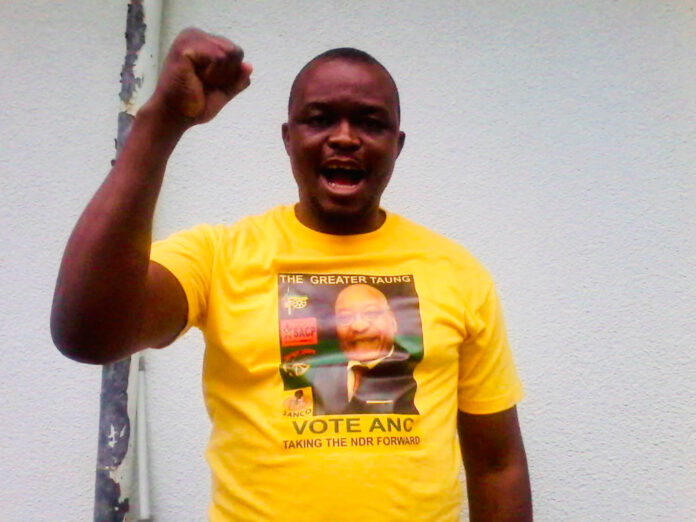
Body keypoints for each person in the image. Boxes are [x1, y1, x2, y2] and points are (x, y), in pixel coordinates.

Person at [51, 27, 532, 521]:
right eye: (319, 119)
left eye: (370, 123)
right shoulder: (219, 255)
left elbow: (497, 465)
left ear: (397, 145)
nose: (344, 137)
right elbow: (87, 333)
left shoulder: (457, 272)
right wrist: (162, 124)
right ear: (288, 138)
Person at [310, 283, 419, 415]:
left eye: (371, 313)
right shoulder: (318, 376)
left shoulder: (417, 373)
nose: (359, 326)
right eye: (345, 317)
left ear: (393, 321)